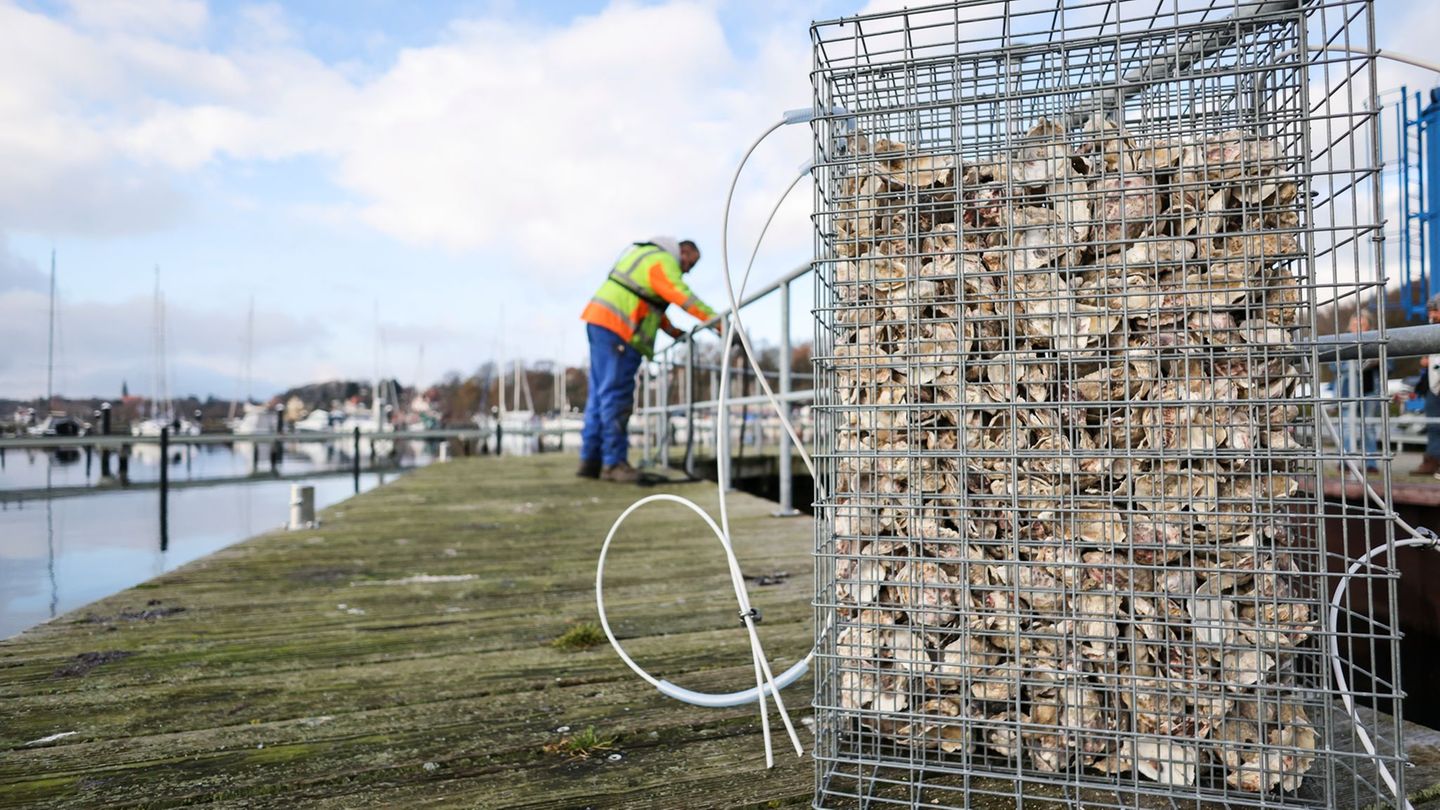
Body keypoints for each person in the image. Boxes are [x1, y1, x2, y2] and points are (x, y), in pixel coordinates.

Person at [578, 237, 718, 483]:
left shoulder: (647, 257)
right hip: (620, 330)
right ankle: (613, 463)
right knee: (615, 395)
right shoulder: (663, 260)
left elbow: (651, 305)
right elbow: (681, 295)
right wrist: (718, 324)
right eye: (690, 263)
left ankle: (590, 462)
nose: (687, 270)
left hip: (602, 323)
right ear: (683, 251)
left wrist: (674, 332)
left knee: (599, 395)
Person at [1335, 312, 1381, 473]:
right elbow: (1333, 365)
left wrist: (1375, 362)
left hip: (1369, 390)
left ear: (1369, 325)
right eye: (1355, 324)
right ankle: (1345, 460)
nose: (1357, 327)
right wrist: (1353, 365)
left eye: (1361, 324)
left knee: (1368, 426)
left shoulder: (1376, 340)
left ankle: (1371, 463)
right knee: (1347, 426)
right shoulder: (1341, 341)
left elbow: (1389, 364)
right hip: (1347, 391)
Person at [1414, 294, 1440, 476]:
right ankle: (1432, 460)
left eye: (1435, 310)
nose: (1432, 314)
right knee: (1432, 424)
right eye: (1431, 311)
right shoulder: (1431, 328)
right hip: (1433, 384)